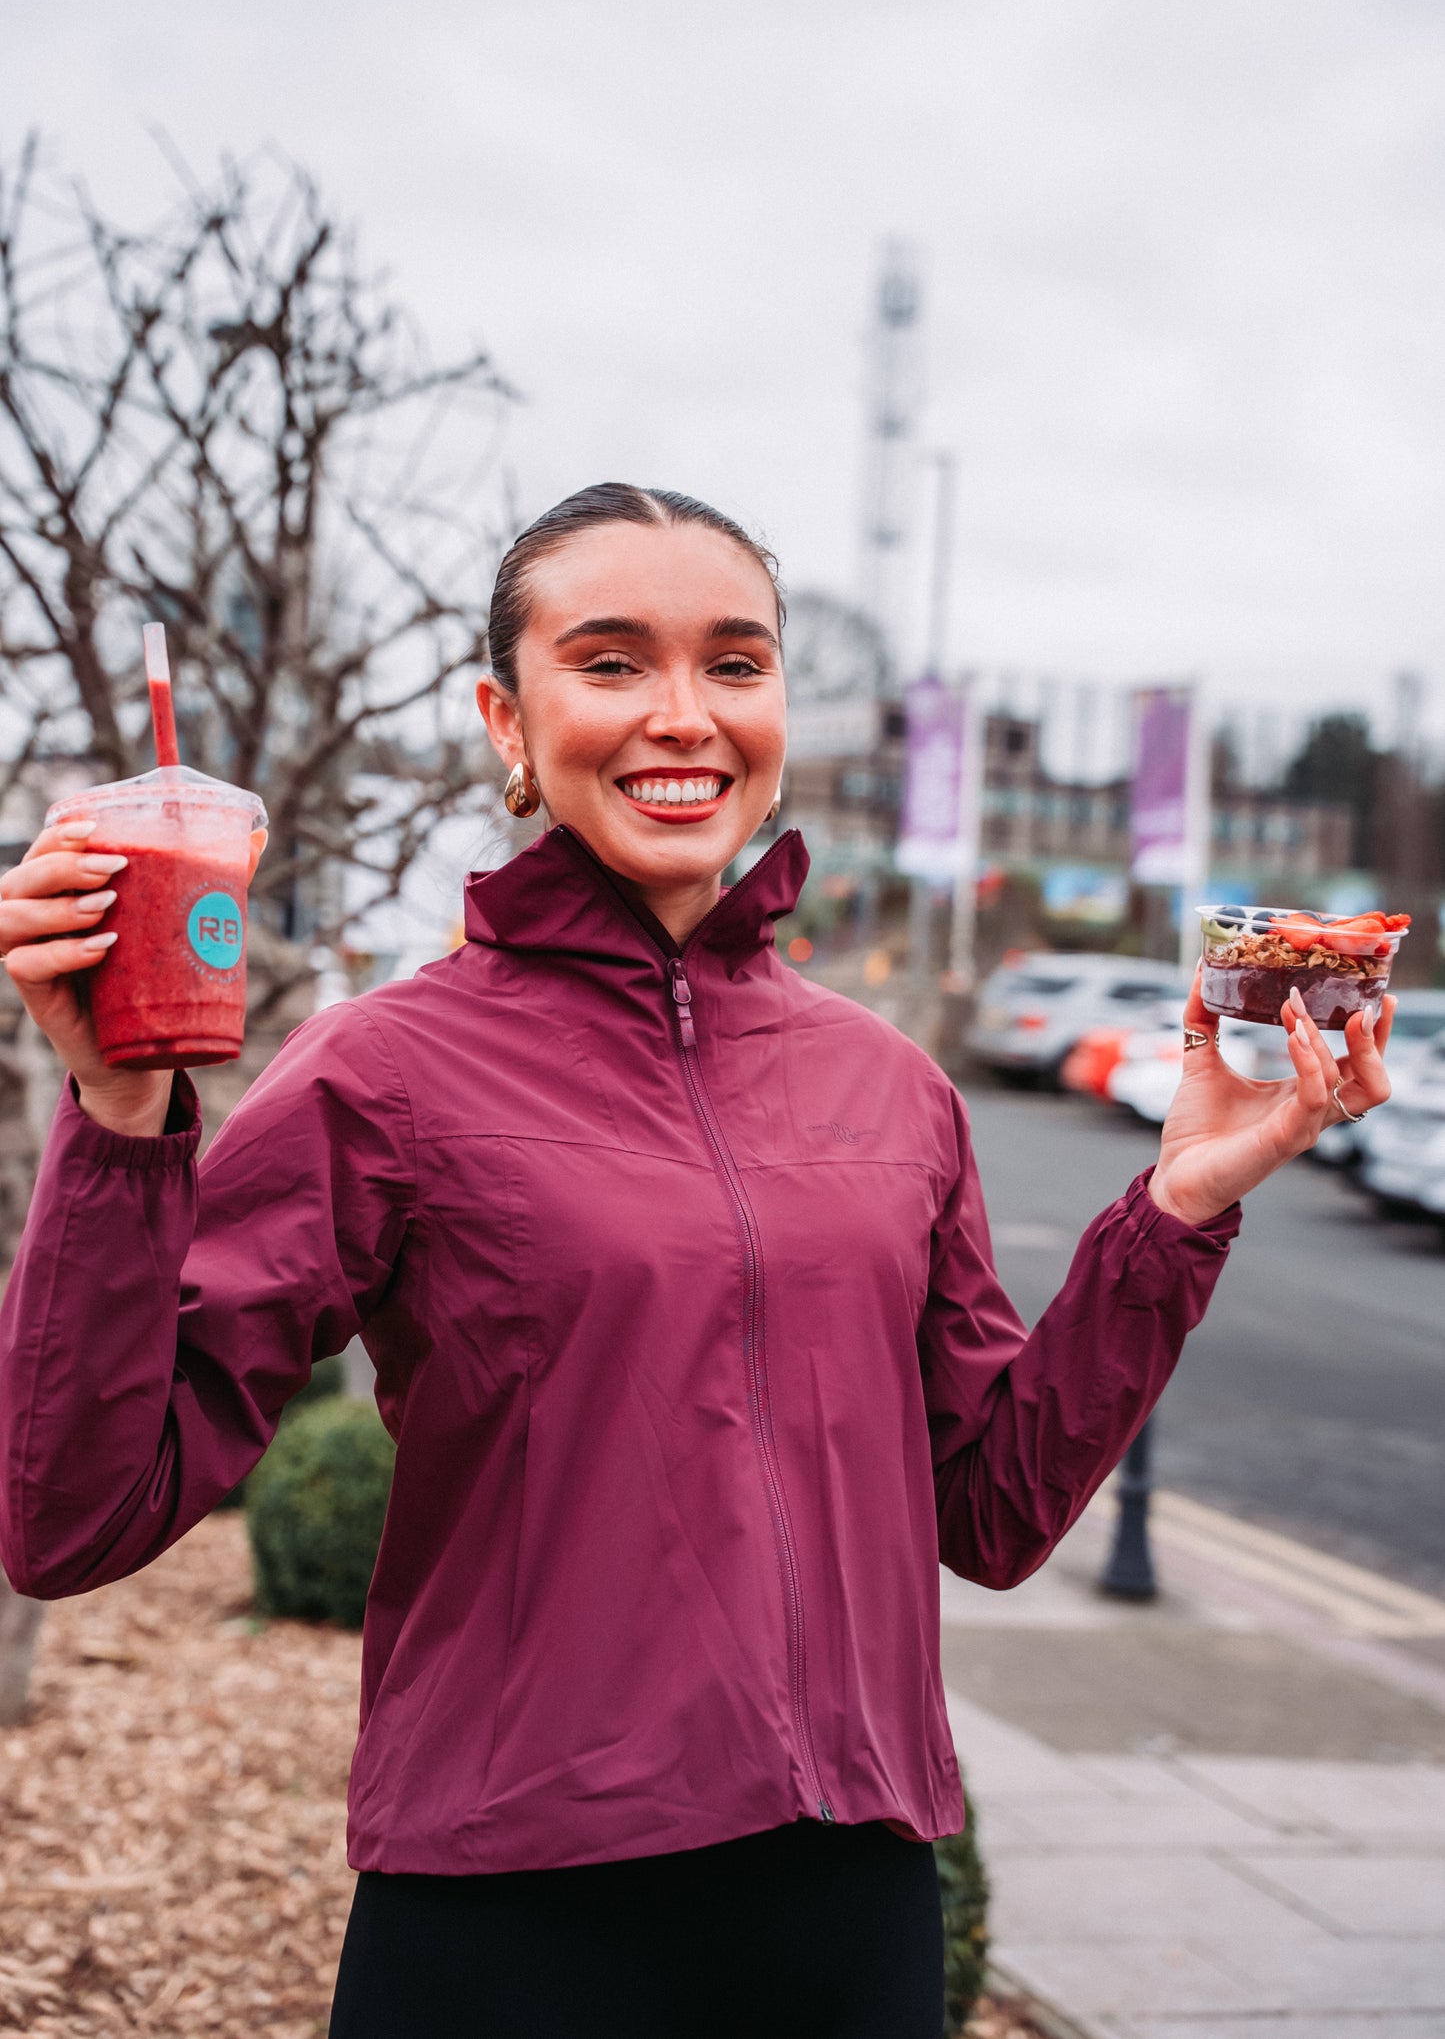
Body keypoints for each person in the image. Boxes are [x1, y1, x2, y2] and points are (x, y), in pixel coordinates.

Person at [0, 484, 1393, 2039]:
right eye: (609, 662)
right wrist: (120, 1116)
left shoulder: (887, 1083)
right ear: (507, 722)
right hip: (509, 1917)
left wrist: (1175, 1213)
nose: (683, 714)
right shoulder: (382, 1072)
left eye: (734, 663)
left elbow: (992, 1513)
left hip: (849, 1913)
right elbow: (76, 1514)